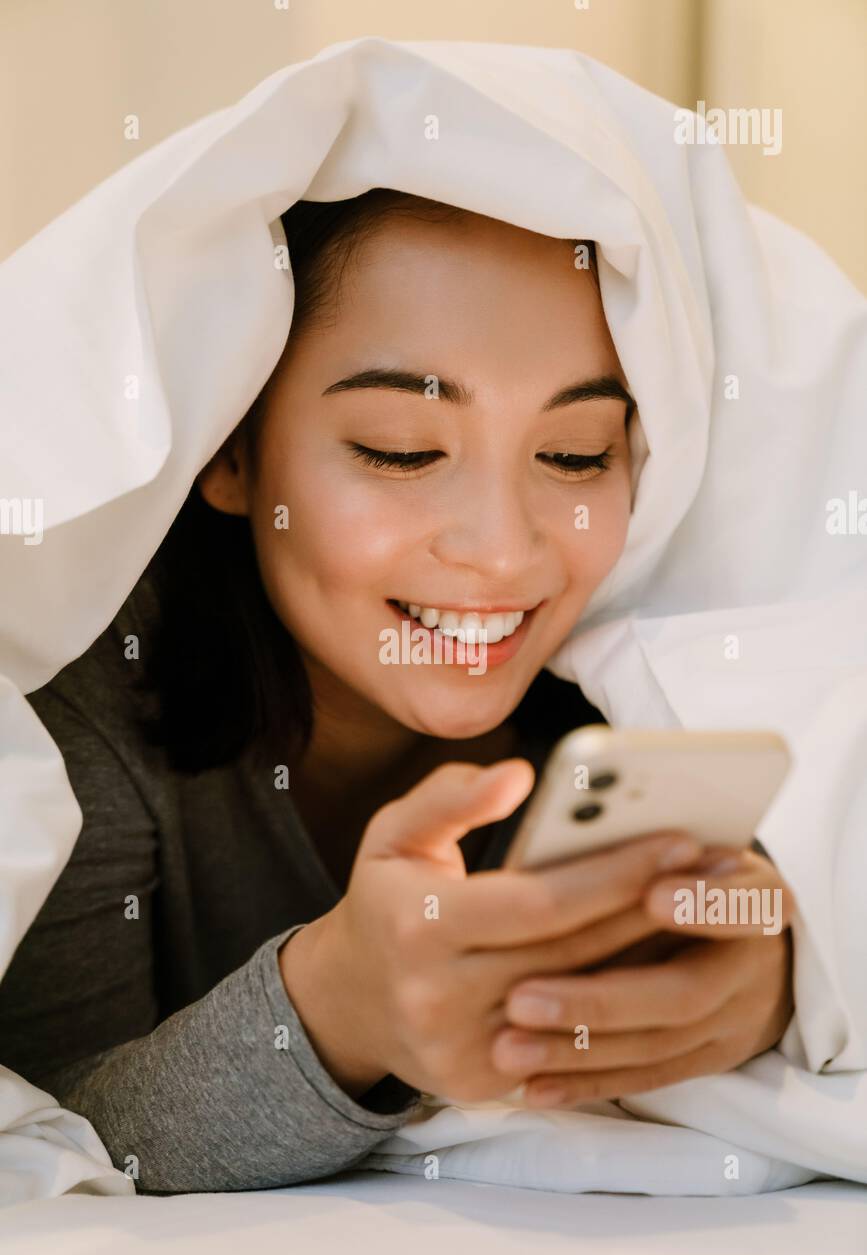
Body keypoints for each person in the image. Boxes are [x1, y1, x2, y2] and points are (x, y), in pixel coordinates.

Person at [0, 189, 794, 1194]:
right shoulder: (71, 702)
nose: (503, 550)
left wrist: (784, 996)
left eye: (576, 453)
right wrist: (342, 1004)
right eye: (402, 449)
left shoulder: (650, 674)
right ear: (229, 447)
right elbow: (51, 1138)